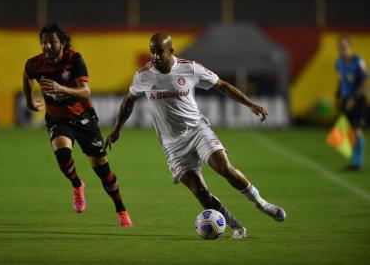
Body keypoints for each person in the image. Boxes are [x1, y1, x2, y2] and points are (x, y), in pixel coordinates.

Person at [105, 32, 286, 238]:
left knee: (224, 168)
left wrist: (250, 103)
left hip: (197, 131)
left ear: (171, 51)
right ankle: (236, 227)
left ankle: (261, 203)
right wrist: (117, 128)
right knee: (200, 192)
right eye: (152, 52)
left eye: (159, 52)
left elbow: (222, 85)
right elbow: (128, 101)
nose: (155, 57)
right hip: (172, 144)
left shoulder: (189, 68)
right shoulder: (143, 75)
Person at [23, 23, 132, 227]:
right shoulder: (35, 64)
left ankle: (121, 209)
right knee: (62, 154)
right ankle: (77, 185)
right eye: (43, 42)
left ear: (62, 43)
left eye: (51, 42)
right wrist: (30, 101)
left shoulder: (74, 59)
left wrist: (61, 88)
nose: (46, 46)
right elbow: (28, 75)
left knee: (103, 171)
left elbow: (85, 91)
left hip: (83, 119)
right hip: (58, 120)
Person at [336, 36, 367, 171]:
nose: (342, 49)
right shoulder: (339, 63)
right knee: (349, 131)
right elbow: (342, 81)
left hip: (358, 100)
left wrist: (354, 98)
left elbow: (365, 81)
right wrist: (339, 96)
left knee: (357, 130)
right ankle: (354, 161)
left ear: (350, 47)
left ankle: (358, 162)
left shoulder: (358, 61)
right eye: (340, 47)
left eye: (344, 46)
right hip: (346, 99)